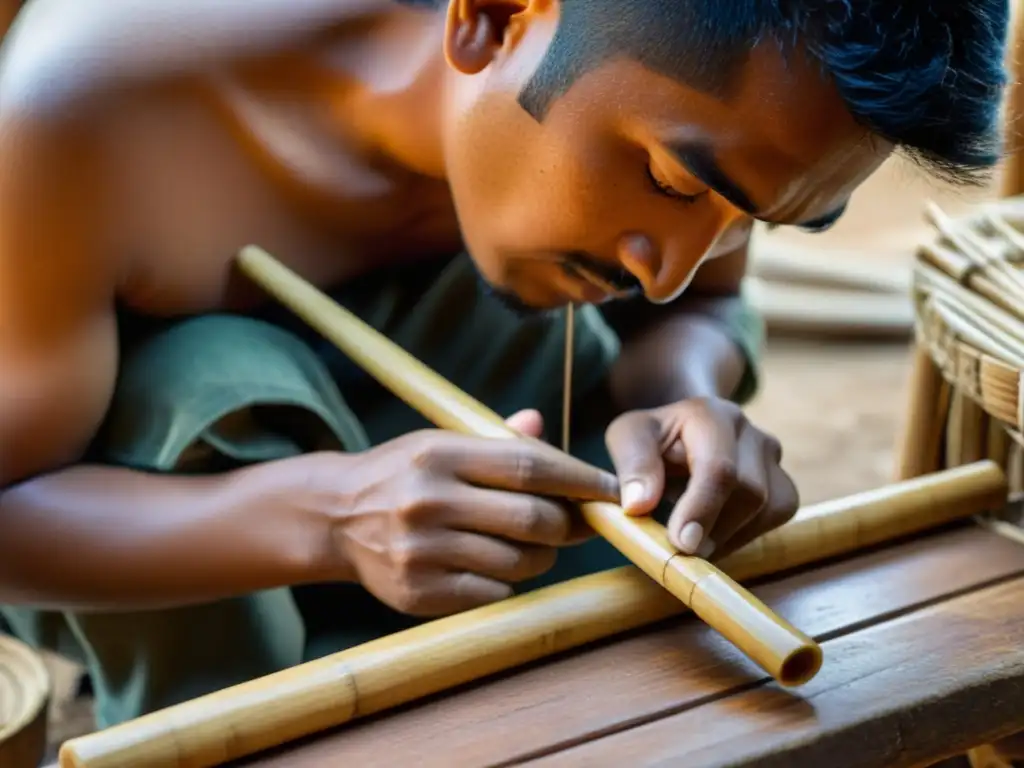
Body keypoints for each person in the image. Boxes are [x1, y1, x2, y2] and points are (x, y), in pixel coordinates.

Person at [0, 0, 1009, 729]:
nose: (670, 274)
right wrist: (326, 514)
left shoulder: (715, 102)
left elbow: (697, 307)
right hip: (170, 535)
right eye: (666, 180)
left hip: (447, 488)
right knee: (209, 377)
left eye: (751, 218)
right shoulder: (86, 109)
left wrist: (680, 399)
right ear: (489, 20)